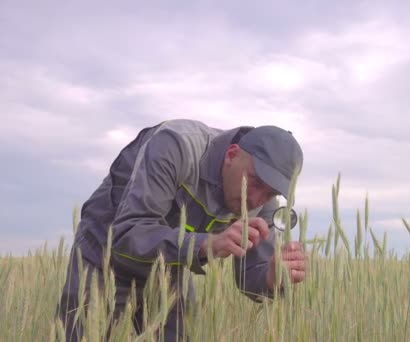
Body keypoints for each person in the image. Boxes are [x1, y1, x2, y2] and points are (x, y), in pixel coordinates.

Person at [58, 119, 308, 341]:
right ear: (231, 155)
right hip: (102, 253)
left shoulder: (263, 202)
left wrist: (272, 278)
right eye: (254, 182)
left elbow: (249, 277)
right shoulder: (175, 146)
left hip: (168, 268)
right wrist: (206, 245)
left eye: (271, 192)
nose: (257, 199)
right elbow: (126, 233)